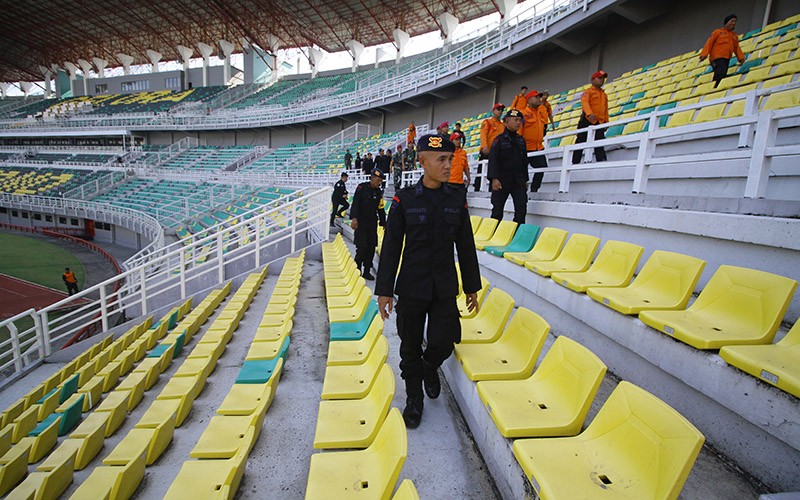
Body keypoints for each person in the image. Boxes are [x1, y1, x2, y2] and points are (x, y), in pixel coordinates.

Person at [376, 133, 481, 429]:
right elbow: (392, 246)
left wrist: (471, 286)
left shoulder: (456, 199)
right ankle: (414, 399)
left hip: (444, 285)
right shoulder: (405, 199)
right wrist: (384, 290)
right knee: (409, 344)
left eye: (450, 159)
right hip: (412, 286)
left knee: (443, 342)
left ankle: (429, 366)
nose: (449, 165)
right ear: (423, 161)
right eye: (442, 160)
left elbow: (466, 245)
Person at [488, 108, 529, 224]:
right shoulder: (499, 140)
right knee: (497, 211)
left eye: (520, 120)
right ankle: (493, 236)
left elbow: (524, 161)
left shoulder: (521, 140)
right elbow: (493, 160)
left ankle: (517, 237)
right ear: (506, 122)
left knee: (521, 209)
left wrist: (525, 179)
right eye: (515, 120)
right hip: (501, 180)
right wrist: (494, 179)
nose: (518, 123)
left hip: (518, 180)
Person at [350, 168, 386, 280]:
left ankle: (366, 271)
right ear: (372, 178)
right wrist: (354, 218)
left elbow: (381, 209)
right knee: (362, 248)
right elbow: (355, 203)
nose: (379, 183)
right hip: (361, 223)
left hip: (372, 223)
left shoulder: (379, 192)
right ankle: (357, 270)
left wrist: (384, 223)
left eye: (381, 181)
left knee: (371, 248)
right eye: (378, 180)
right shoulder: (361, 188)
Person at [572, 71, 609, 165]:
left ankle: (601, 160)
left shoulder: (604, 95)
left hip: (599, 121)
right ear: (593, 80)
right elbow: (585, 103)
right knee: (580, 140)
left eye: (603, 78)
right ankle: (575, 162)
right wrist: (589, 114)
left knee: (599, 141)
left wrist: (606, 121)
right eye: (600, 78)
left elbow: (606, 109)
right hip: (587, 120)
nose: (602, 80)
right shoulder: (587, 92)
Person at [700, 14, 745, 89]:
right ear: (726, 22)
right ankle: (715, 89)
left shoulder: (734, 35)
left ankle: (717, 88)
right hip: (716, 58)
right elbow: (709, 42)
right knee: (720, 72)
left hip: (726, 58)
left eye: (735, 21)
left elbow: (736, 47)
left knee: (723, 73)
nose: (734, 23)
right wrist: (704, 54)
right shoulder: (717, 32)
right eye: (732, 21)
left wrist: (740, 57)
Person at [520, 90, 549, 192]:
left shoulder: (540, 112)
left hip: (538, 147)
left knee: (542, 167)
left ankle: (534, 189)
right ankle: (522, 190)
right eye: (535, 97)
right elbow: (519, 132)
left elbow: (544, 124)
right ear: (529, 99)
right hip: (525, 147)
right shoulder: (523, 114)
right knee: (521, 171)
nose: (538, 99)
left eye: (538, 97)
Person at [477, 103, 506, 192]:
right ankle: (477, 188)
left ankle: (492, 188)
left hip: (497, 153)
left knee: (495, 171)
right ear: (493, 111)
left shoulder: (502, 126)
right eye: (498, 109)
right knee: (481, 170)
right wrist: (484, 146)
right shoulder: (487, 122)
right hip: (488, 151)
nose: (500, 111)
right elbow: (483, 135)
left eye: (501, 110)